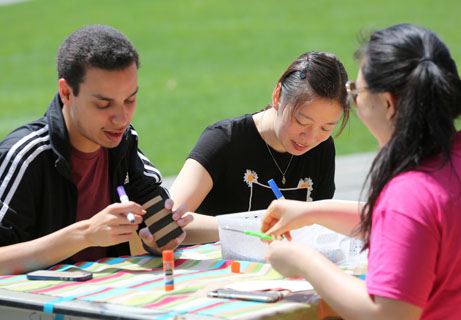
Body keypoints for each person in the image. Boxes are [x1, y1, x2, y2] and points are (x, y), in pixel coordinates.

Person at [261, 23, 461, 319]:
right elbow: (410, 226)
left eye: (356, 91)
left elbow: (386, 315)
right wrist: (309, 213)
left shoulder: (409, 193)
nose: (354, 100)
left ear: (388, 104)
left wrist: (303, 261)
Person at [0, 25, 191, 275]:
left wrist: (160, 238)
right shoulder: (26, 155)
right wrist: (86, 234)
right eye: (103, 104)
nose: (121, 118)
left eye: (130, 100)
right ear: (66, 93)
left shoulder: (123, 141)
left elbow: (151, 203)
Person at [169, 51, 350, 244]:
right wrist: (251, 228)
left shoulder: (322, 148)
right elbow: (168, 221)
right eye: (302, 122)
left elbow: (319, 224)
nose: (311, 138)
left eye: (326, 127)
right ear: (277, 96)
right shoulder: (224, 140)